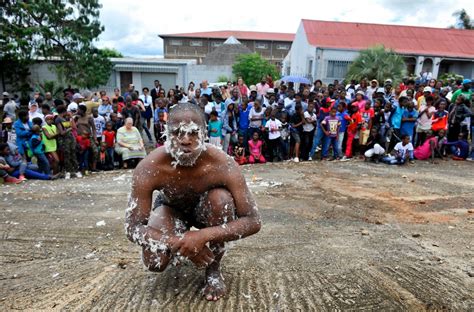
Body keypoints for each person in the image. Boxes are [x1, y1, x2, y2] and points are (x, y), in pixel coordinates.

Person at [125, 103, 261, 301]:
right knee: (154, 261)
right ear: (165, 134)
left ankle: (213, 270)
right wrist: (178, 243)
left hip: (208, 210)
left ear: (205, 134)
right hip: (172, 209)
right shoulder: (150, 167)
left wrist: (204, 236)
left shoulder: (223, 164)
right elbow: (132, 227)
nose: (185, 140)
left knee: (220, 200)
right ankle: (181, 251)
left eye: (193, 133)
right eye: (177, 133)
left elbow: (253, 220)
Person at [55, 105, 81, 179]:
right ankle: (68, 171)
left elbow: (74, 127)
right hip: (64, 140)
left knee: (73, 154)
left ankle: (76, 170)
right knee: (67, 155)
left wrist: (71, 117)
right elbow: (62, 132)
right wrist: (69, 129)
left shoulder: (65, 118)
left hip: (70, 138)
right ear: (64, 111)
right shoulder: (58, 119)